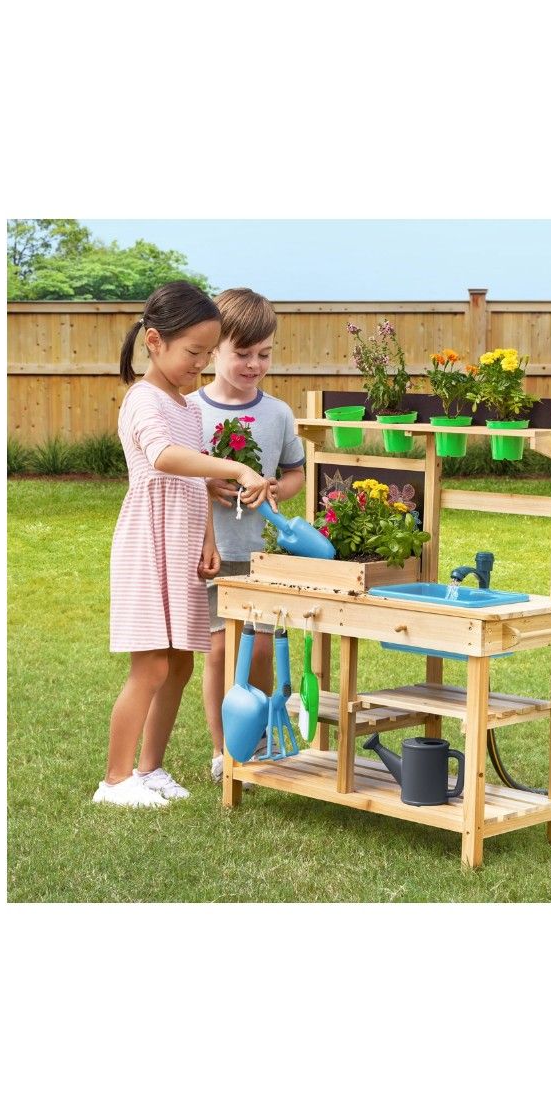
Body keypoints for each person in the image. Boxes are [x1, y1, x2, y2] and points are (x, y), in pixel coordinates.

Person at [93, 281, 277, 807]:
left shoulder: (188, 407)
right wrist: (236, 466)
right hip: (149, 543)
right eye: (193, 352)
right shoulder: (143, 399)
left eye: (207, 352)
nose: (200, 364)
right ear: (155, 342)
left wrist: (208, 539)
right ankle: (115, 780)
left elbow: (195, 481)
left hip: (182, 544)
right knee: (151, 664)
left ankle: (149, 769)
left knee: (179, 664)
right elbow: (163, 457)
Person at [188, 287, 305, 781]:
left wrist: (277, 488)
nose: (254, 364)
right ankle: (223, 748)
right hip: (214, 552)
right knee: (220, 649)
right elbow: (174, 471)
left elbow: (296, 473)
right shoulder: (190, 409)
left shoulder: (277, 413)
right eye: (242, 353)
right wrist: (206, 481)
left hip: (263, 554)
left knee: (260, 648)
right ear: (214, 348)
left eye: (264, 354)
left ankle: (256, 737)